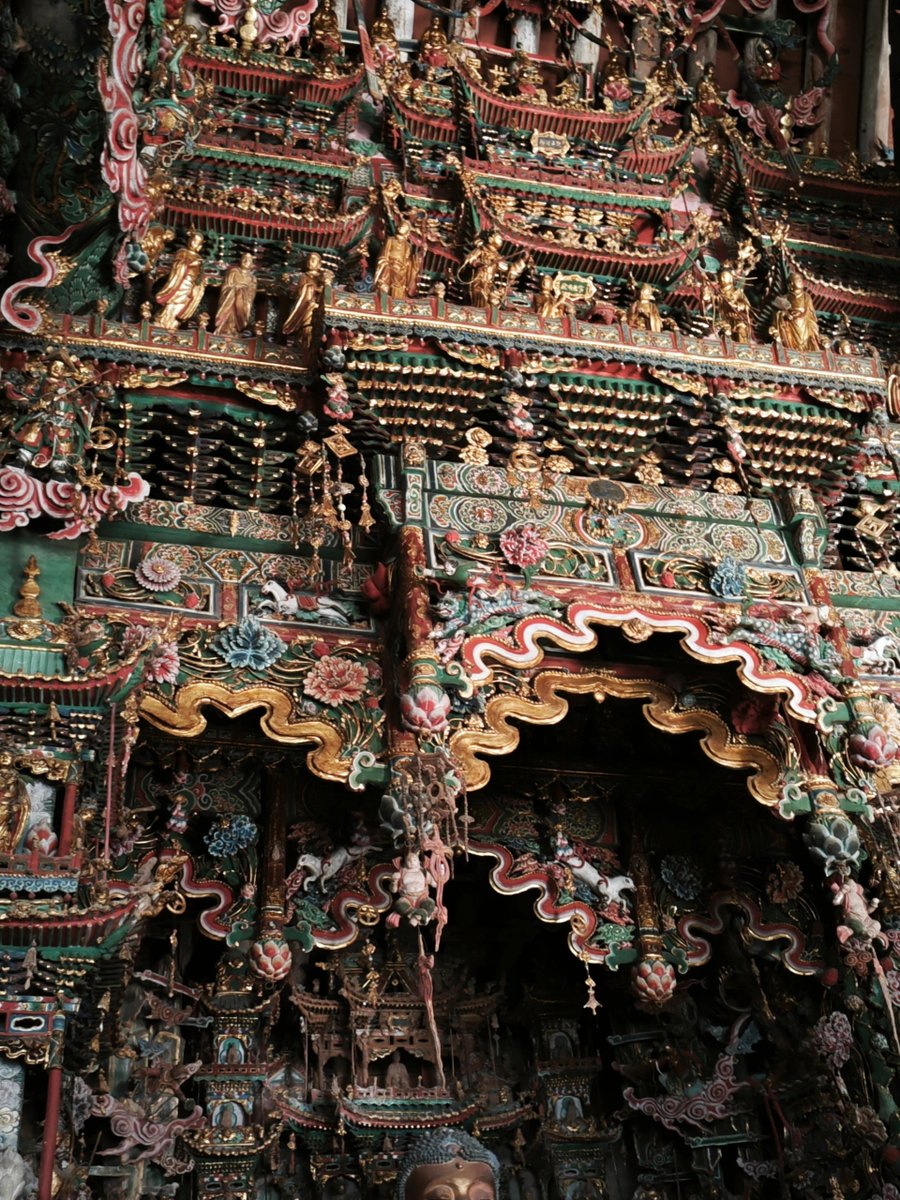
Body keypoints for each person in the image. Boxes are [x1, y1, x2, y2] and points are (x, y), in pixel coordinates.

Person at [154, 230, 207, 330]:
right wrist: (190, 265)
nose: (193, 243)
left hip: (189, 286)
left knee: (181, 305)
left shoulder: (199, 258)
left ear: (200, 246)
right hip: (180, 283)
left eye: (196, 242)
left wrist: (200, 284)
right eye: (192, 240)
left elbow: (199, 276)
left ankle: (173, 325)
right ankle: (162, 322)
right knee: (172, 303)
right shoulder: (182, 252)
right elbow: (177, 265)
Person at [283, 252, 325, 364]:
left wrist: (323, 287)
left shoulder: (322, 278)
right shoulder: (304, 277)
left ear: (319, 265)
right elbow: (300, 292)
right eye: (309, 260)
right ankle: (302, 346)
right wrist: (312, 288)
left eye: (313, 260)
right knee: (306, 328)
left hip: (317, 307)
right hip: (307, 306)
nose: (310, 262)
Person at [770, 274, 821, 351]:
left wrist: (805, 316)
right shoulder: (785, 298)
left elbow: (811, 313)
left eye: (800, 279)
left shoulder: (806, 296)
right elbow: (777, 312)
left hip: (805, 325)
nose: (800, 281)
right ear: (791, 284)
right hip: (791, 325)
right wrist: (785, 314)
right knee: (793, 346)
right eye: (797, 279)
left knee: (808, 344)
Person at [372, 221, 420, 298]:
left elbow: (406, 259)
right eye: (400, 225)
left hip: (401, 266)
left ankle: (397, 293)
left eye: (404, 226)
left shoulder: (407, 245)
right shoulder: (390, 240)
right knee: (388, 269)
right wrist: (385, 262)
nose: (401, 227)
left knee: (401, 274)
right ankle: (384, 288)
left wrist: (413, 264)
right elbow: (384, 253)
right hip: (390, 263)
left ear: (407, 231)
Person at [215, 252, 257, 335]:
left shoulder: (252, 279)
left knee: (239, 310)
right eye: (244, 259)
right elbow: (226, 286)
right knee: (229, 312)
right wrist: (234, 290)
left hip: (242, 302)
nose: (246, 261)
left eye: (249, 260)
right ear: (240, 260)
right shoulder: (233, 272)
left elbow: (251, 294)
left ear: (252, 264)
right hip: (230, 299)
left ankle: (234, 328)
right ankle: (225, 327)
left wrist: (243, 292)